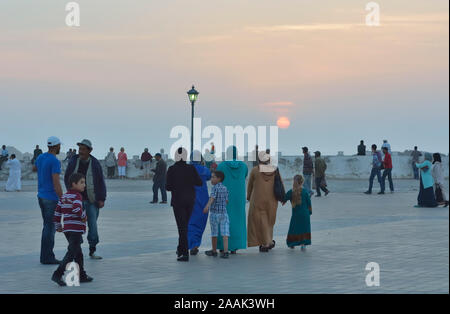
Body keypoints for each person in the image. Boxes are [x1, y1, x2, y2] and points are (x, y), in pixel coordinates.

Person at [65, 139, 107, 260]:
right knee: (75, 226)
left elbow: (100, 181)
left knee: (92, 226)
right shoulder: (73, 161)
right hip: (76, 200)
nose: (81, 151)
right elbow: (68, 176)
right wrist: (70, 191)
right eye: (80, 149)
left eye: (83, 149)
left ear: (90, 150)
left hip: (91, 200)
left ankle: (92, 249)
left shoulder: (95, 164)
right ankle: (75, 249)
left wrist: (101, 198)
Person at [51, 173, 93, 286]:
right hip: (75, 229)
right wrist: (84, 217)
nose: (84, 185)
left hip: (68, 230)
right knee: (71, 253)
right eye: (82, 182)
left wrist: (58, 226)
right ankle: (58, 274)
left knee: (78, 253)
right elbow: (76, 209)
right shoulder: (77, 196)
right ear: (74, 184)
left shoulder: (64, 197)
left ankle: (82, 275)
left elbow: (57, 213)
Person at [165, 147, 202, 262]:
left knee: (182, 227)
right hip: (190, 200)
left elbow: (168, 187)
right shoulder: (191, 168)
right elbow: (199, 183)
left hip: (178, 201)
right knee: (184, 225)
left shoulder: (171, 169)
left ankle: (184, 253)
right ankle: (180, 249)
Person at [34, 136, 63, 265]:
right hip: (51, 198)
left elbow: (35, 168)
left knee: (46, 226)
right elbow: (56, 182)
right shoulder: (55, 161)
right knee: (50, 228)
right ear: (56, 146)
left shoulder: (41, 157)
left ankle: (44, 256)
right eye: (59, 146)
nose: (60, 148)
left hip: (41, 196)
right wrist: (63, 198)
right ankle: (47, 257)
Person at [216, 146, 248, 254]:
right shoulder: (244, 166)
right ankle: (235, 246)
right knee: (238, 221)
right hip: (239, 198)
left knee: (224, 220)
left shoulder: (221, 166)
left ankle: (223, 246)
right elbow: (244, 176)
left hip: (225, 198)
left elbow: (216, 178)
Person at [247, 151, 279, 252]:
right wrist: (283, 197)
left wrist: (248, 196)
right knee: (269, 221)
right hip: (272, 200)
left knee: (258, 221)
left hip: (257, 199)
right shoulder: (274, 170)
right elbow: (280, 184)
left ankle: (265, 243)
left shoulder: (255, 170)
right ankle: (268, 241)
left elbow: (250, 186)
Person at [187, 151, 211, 255]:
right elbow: (210, 176)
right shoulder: (204, 170)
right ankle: (195, 245)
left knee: (190, 221)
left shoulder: (187, 169)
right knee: (200, 221)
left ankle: (190, 244)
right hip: (202, 198)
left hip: (189, 197)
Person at [203, 171, 230, 259]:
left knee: (214, 232)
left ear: (219, 179)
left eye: (213, 177)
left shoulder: (214, 188)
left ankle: (214, 250)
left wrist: (207, 206)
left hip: (214, 214)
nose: (211, 179)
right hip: (224, 214)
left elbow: (212, 198)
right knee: (225, 233)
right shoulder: (225, 188)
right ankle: (226, 252)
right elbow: (227, 201)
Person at [282, 175, 312, 250]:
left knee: (294, 228)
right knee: (304, 229)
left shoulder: (291, 192)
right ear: (302, 182)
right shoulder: (305, 192)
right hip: (305, 214)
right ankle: (303, 243)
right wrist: (310, 212)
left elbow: (284, 198)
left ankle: (292, 243)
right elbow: (309, 203)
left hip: (296, 215)